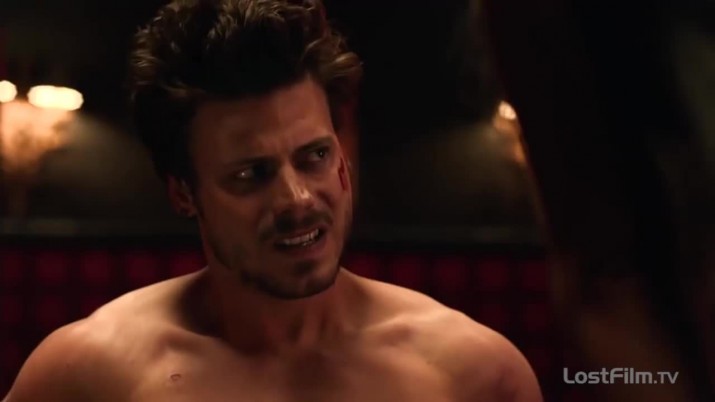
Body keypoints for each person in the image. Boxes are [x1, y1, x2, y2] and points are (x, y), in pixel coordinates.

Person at [4, 0, 542, 401]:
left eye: (314, 156)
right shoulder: (93, 373)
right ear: (184, 192)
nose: (297, 199)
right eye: (250, 174)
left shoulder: (471, 374)